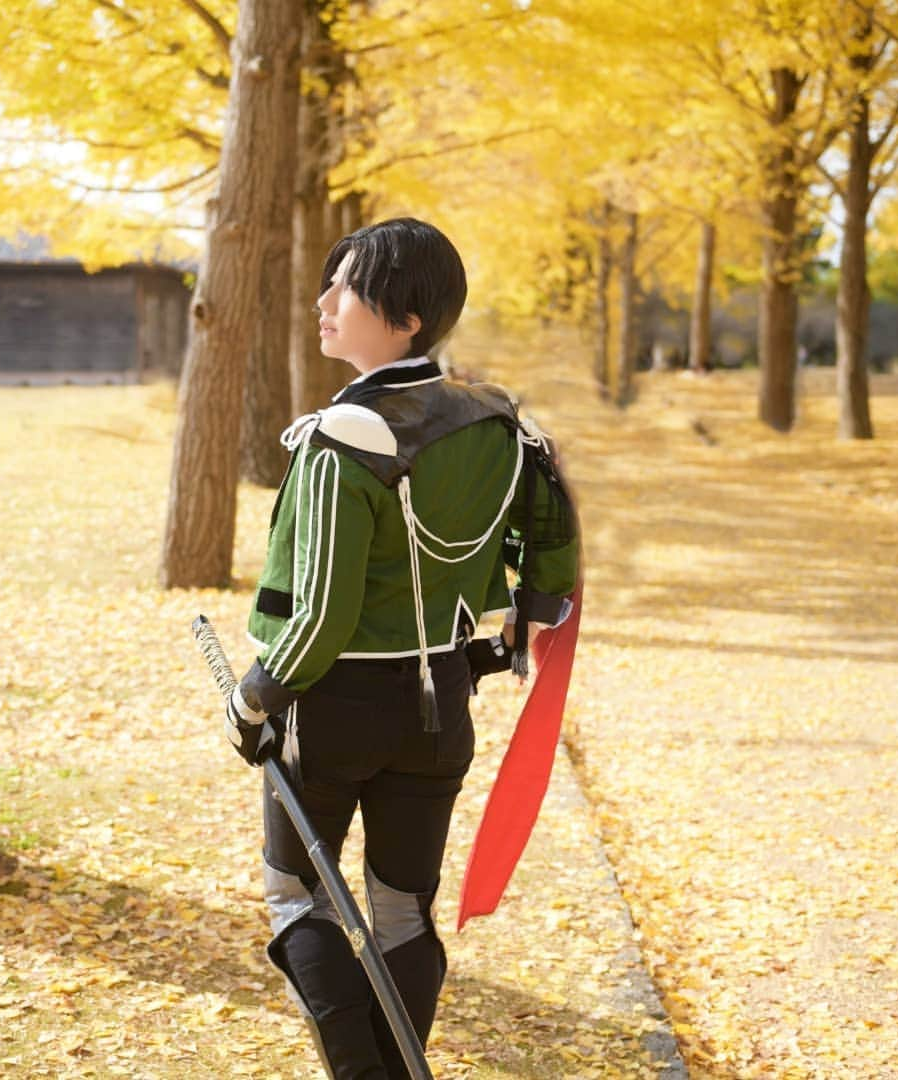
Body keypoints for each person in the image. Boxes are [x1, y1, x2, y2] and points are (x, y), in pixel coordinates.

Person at [225, 217, 579, 1079]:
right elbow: (555, 562)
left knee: (294, 898)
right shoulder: (499, 424)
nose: (324, 302)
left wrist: (254, 697)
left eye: (345, 287)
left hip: (335, 707)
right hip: (440, 709)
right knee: (402, 912)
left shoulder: (341, 440)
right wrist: (505, 638)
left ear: (408, 316)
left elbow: (319, 617)